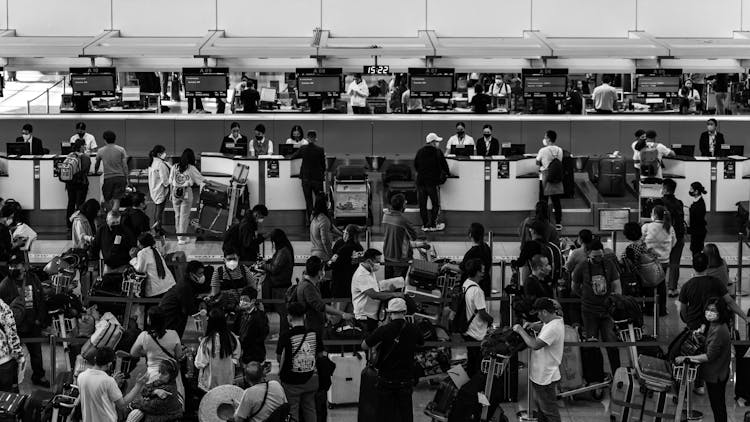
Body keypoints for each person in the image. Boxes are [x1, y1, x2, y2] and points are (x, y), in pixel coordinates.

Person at [362, 298, 423, 422]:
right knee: (405, 414)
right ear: (405, 312)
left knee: (384, 414)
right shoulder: (414, 328)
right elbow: (421, 343)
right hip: (405, 379)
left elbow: (364, 345)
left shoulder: (384, 329)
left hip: (386, 379)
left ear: (389, 313)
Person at [675, 297, 731, 422]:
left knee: (718, 406)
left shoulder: (719, 331)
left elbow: (709, 356)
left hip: (717, 374)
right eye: (708, 309)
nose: (709, 312)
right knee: (717, 405)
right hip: (718, 371)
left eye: (713, 310)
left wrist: (686, 358)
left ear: (720, 312)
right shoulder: (715, 325)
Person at [571, 240, 622, 375]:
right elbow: (574, 286)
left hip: (607, 312)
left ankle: (617, 374)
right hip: (589, 312)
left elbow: (616, 284)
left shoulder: (609, 264)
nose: (598, 259)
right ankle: (596, 376)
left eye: (600, 256)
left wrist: (615, 300)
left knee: (611, 344)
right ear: (588, 254)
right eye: (595, 257)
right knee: (592, 345)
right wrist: (585, 297)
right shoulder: (582, 266)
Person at [513, 298, 565, 422]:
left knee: (550, 411)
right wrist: (535, 326)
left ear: (545, 312)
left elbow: (535, 344)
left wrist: (520, 330)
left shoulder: (553, 328)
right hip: (543, 374)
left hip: (544, 377)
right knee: (543, 410)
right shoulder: (555, 320)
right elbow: (545, 326)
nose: (538, 316)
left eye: (539, 313)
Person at [0, 254, 48, 387]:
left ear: (24, 266)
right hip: (16, 327)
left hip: (33, 324)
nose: (12, 268)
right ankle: (13, 380)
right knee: (15, 355)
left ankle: (39, 376)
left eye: (16, 265)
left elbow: (41, 300)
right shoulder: (4, 285)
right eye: (11, 266)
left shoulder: (33, 279)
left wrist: (40, 319)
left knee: (36, 354)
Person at [277, 302, 324, 422]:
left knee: (292, 411)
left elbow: (279, 358)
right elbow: (320, 355)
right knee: (310, 409)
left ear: (289, 317)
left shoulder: (285, 336)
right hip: (311, 379)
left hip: (292, 382)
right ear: (304, 316)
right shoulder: (314, 334)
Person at [77, 347, 150, 422]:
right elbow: (122, 404)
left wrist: (113, 383)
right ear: (109, 364)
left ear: (95, 358)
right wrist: (138, 385)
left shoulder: (81, 376)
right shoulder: (108, 381)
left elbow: (96, 393)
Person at [678, 252, 746, 330]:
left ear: (693, 266)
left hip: (694, 324)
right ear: (707, 266)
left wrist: (689, 322)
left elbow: (683, 309)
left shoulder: (686, 286)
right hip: (713, 324)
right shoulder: (716, 282)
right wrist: (745, 317)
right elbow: (730, 301)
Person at [130, 307, 185, 399]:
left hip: (153, 375)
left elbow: (133, 353)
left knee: (153, 404)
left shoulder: (144, 336)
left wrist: (147, 352)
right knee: (173, 403)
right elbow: (179, 355)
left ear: (150, 320)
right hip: (172, 374)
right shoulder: (173, 334)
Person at [294, 256, 353, 336]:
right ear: (319, 272)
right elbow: (320, 306)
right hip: (311, 328)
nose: (324, 272)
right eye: (323, 269)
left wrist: (326, 316)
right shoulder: (308, 287)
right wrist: (342, 314)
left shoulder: (310, 284)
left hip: (313, 326)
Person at [351, 248, 404, 333]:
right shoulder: (362, 275)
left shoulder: (369, 271)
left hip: (372, 315)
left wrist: (389, 290)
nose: (379, 264)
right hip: (365, 317)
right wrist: (394, 294)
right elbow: (374, 295)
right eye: (377, 261)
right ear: (369, 261)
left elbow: (375, 290)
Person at [458, 259, 493, 378]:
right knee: (477, 363)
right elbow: (482, 313)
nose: (484, 272)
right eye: (482, 270)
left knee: (471, 360)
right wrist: (491, 320)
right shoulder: (477, 291)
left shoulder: (466, 283)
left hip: (467, 328)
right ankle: (474, 386)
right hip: (476, 331)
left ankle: (469, 384)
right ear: (478, 272)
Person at [195, 308, 241, 392]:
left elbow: (200, 363)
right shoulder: (232, 338)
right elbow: (236, 356)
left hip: (210, 384)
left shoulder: (207, 341)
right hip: (228, 381)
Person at [642, 205, 676, 316]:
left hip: (649, 261)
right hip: (664, 261)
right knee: (661, 285)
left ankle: (649, 309)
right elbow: (674, 242)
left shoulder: (647, 227)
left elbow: (641, 241)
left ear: (655, 215)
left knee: (648, 285)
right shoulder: (669, 227)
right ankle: (662, 309)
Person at [442, 222, 492, 296]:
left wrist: (447, 265)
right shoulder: (486, 248)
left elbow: (462, 268)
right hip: (485, 285)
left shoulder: (471, 252)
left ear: (470, 235)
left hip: (473, 288)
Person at [414, 133, 450, 231]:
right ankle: (433, 224)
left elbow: (416, 165)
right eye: (437, 141)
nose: (438, 143)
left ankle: (425, 225)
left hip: (421, 182)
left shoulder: (420, 152)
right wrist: (446, 174)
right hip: (432, 182)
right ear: (433, 142)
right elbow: (445, 167)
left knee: (422, 204)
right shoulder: (438, 152)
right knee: (435, 204)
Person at [170, 148, 205, 245]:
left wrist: (170, 193)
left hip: (175, 191)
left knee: (177, 215)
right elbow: (201, 180)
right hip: (186, 192)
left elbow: (170, 181)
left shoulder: (174, 166)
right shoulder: (191, 168)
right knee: (184, 216)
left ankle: (179, 237)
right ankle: (182, 237)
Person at [382, 194, 421, 278]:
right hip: (400, 258)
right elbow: (413, 237)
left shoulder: (385, 216)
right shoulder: (403, 221)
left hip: (387, 255)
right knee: (398, 285)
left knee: (387, 284)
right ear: (403, 205)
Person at [263, 229, 294, 335]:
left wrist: (263, 265)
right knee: (283, 313)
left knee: (283, 314)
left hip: (281, 286)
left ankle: (283, 336)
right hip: (280, 285)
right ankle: (283, 334)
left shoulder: (283, 252)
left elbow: (274, 268)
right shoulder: (284, 250)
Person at [159, 261, 202, 338]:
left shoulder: (188, 282)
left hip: (173, 312)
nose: (202, 276)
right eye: (200, 273)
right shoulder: (185, 286)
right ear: (191, 274)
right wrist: (199, 312)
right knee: (172, 336)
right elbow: (188, 308)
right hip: (170, 314)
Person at [291, 130, 326, 224]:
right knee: (319, 200)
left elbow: (293, 156)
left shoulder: (303, 148)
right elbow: (323, 165)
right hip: (317, 179)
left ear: (307, 138)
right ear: (315, 139)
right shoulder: (320, 150)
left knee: (308, 200)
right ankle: (320, 220)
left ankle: (310, 221)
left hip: (306, 179)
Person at [210, 250, 257, 314]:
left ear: (238, 258)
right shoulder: (218, 272)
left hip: (244, 308)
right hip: (226, 309)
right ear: (224, 260)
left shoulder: (244, 270)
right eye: (229, 259)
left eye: (234, 259)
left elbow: (253, 290)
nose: (232, 262)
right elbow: (215, 296)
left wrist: (246, 303)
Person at [660, 178, 686, 298]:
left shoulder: (659, 203)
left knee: (662, 261)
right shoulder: (679, 203)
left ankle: (660, 286)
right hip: (679, 237)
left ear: (665, 189)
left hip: (664, 237)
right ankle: (672, 288)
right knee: (675, 263)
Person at [133, 233, 176, 298]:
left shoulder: (142, 253)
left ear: (142, 243)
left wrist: (133, 260)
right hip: (169, 284)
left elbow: (140, 269)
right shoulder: (155, 249)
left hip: (156, 290)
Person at [536, 130, 564, 228]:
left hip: (545, 176)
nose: (544, 139)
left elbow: (537, 162)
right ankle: (558, 222)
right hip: (556, 177)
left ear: (548, 139)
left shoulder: (543, 150)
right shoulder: (560, 150)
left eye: (545, 137)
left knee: (543, 201)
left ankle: (543, 221)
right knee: (556, 201)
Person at [95, 130, 129, 211]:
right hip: (120, 177)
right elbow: (125, 166)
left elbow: (97, 164)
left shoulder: (100, 150)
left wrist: (95, 171)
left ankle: (110, 218)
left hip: (108, 178)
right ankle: (115, 219)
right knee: (117, 200)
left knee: (107, 199)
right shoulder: (121, 149)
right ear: (115, 139)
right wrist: (127, 178)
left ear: (104, 139)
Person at [329, 224, 364, 302]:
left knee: (339, 308)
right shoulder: (359, 248)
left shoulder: (342, 247)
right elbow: (360, 265)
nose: (343, 235)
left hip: (340, 282)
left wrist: (328, 263)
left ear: (348, 234)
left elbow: (332, 262)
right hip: (353, 282)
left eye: (344, 232)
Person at [63, 139, 91, 230]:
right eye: (85, 145)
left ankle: (69, 225)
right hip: (80, 184)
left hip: (70, 183)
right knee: (80, 204)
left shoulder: (70, 155)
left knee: (71, 203)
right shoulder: (85, 157)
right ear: (82, 146)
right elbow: (86, 170)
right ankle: (78, 225)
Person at [0, 295, 24, 392]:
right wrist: (19, 357)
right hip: (3, 361)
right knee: (5, 399)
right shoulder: (2, 306)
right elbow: (11, 333)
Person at [147, 145, 171, 234]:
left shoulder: (153, 162)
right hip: (160, 189)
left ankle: (157, 227)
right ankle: (158, 228)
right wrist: (170, 184)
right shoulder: (160, 164)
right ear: (158, 154)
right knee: (159, 211)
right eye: (163, 152)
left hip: (154, 189)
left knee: (157, 209)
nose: (165, 154)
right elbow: (165, 180)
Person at [310, 196, 340, 262]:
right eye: (328, 202)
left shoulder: (314, 218)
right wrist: (330, 256)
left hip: (314, 252)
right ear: (324, 203)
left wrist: (342, 234)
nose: (329, 204)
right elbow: (325, 241)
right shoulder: (324, 220)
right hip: (323, 255)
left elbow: (331, 228)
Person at [688, 182, 708, 256]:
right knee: (695, 250)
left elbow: (698, 220)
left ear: (696, 191)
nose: (690, 191)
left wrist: (690, 229)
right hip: (696, 231)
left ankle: (698, 266)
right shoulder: (696, 202)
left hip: (698, 232)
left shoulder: (700, 204)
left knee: (696, 251)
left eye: (691, 189)